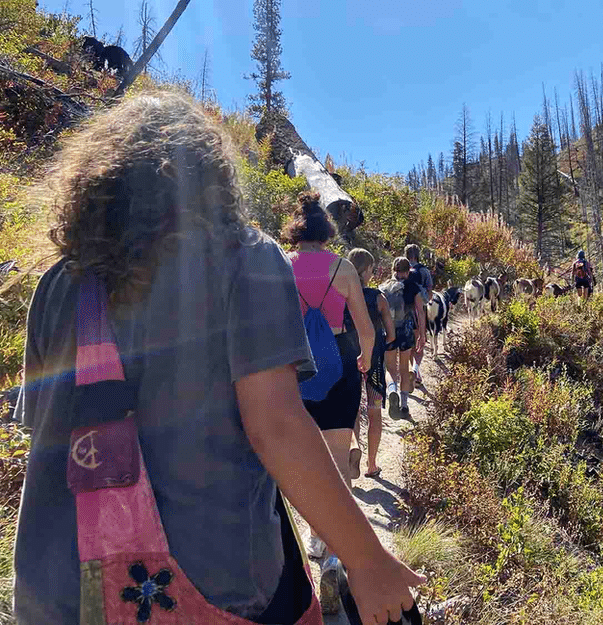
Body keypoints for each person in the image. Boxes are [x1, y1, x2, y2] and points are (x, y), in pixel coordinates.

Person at [13, 91, 422, 625]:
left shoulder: (59, 284)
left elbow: (44, 434)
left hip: (59, 591)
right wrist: (368, 561)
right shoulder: (244, 261)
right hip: (213, 583)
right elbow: (274, 423)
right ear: (211, 178)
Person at [284, 193, 377, 609]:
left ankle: (312, 536)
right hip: (339, 362)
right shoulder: (342, 267)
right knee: (340, 460)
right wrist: (365, 360)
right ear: (327, 233)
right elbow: (367, 329)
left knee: (304, 458)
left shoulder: (281, 266)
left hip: (296, 369)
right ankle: (335, 556)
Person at [344, 248, 395, 478]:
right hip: (373, 361)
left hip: (350, 359)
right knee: (374, 411)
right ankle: (371, 464)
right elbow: (392, 334)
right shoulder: (378, 297)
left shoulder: (341, 295)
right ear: (366, 272)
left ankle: (353, 452)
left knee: (352, 411)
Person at [381, 258, 426, 419]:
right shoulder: (413, 287)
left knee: (390, 369)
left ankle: (392, 390)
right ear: (408, 272)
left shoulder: (384, 287)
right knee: (404, 367)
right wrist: (422, 334)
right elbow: (420, 312)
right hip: (406, 331)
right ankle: (405, 405)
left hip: (389, 330)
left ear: (393, 270)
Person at [404, 244, 433, 388]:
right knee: (420, 343)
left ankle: (415, 374)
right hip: (418, 310)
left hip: (402, 311)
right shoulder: (424, 271)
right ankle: (415, 370)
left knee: (409, 344)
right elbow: (429, 292)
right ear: (418, 254)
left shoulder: (400, 267)